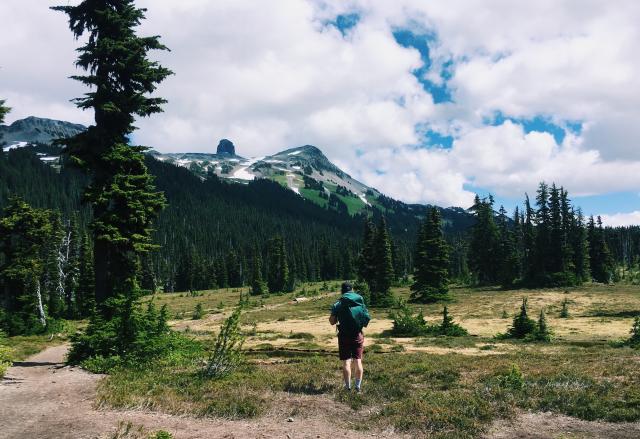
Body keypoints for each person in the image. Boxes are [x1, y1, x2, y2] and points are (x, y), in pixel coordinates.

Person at [329, 281, 370, 392]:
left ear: (342, 291)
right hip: (357, 334)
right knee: (358, 361)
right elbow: (366, 317)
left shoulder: (339, 303)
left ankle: (348, 387)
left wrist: (337, 316)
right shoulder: (360, 301)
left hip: (344, 336)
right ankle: (358, 386)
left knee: (347, 361)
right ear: (352, 289)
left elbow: (332, 321)